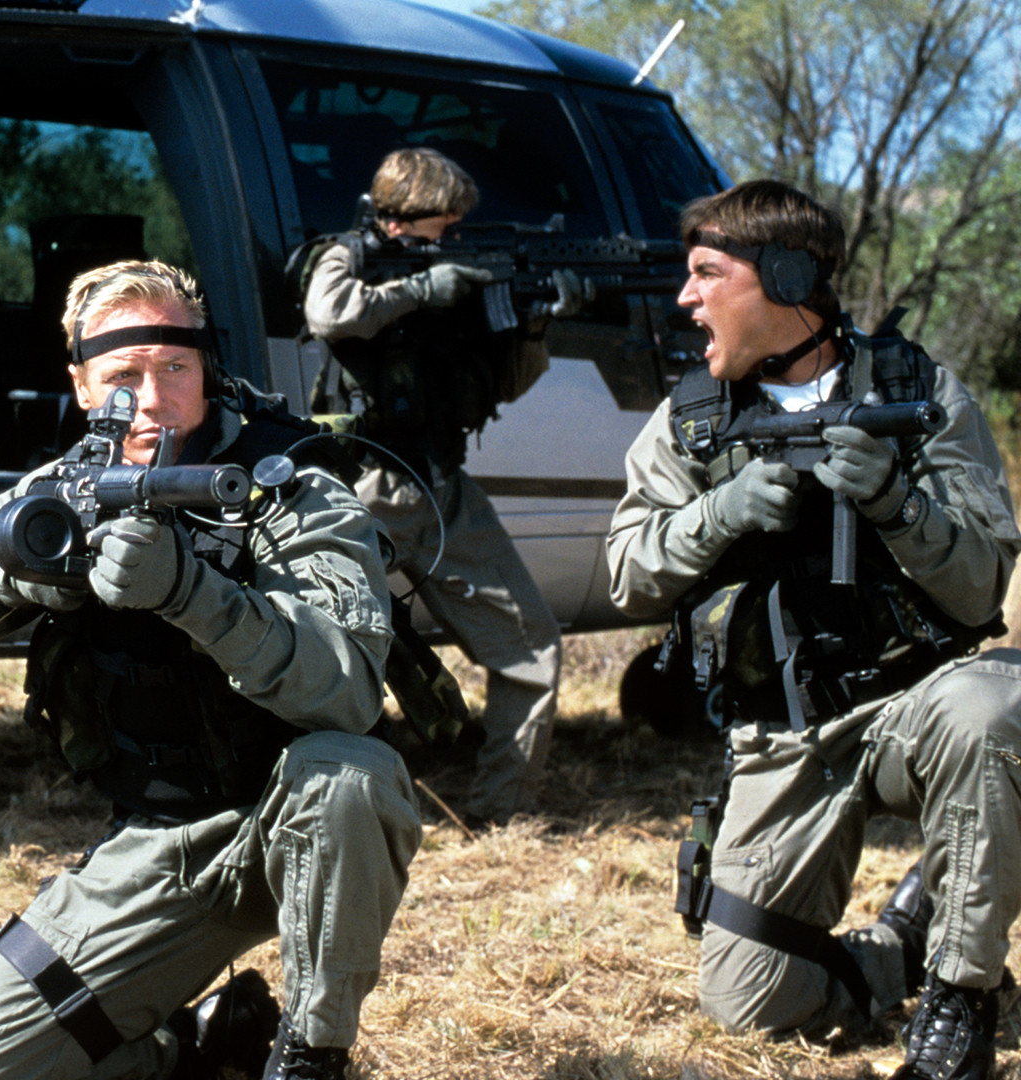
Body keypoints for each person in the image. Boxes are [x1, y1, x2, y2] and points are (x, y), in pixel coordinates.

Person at [0, 260, 424, 1080]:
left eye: (175, 368)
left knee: (350, 772)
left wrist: (193, 593)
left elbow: (346, 694)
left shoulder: (290, 486)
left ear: (208, 371)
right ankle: (190, 1047)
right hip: (159, 842)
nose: (154, 397)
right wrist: (13, 576)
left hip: (292, 820)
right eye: (123, 376)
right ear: (82, 387)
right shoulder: (65, 486)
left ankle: (312, 1054)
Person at [606, 179, 1021, 1079]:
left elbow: (984, 583)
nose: (685, 297)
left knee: (993, 709)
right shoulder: (694, 420)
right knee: (750, 1001)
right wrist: (718, 514)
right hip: (783, 734)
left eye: (707, 272)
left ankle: (962, 997)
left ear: (787, 279)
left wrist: (899, 505)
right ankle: (904, 947)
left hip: (915, 707)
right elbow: (627, 575)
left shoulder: (916, 392)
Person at [300, 147, 573, 826]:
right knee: (326, 655)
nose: (453, 237)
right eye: (442, 225)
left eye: (456, 226)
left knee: (530, 644)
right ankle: (321, 808)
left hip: (443, 487)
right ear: (397, 220)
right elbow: (328, 312)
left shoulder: (456, 279)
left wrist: (535, 321)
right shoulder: (347, 257)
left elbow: (509, 385)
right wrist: (424, 288)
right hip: (365, 487)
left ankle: (500, 811)